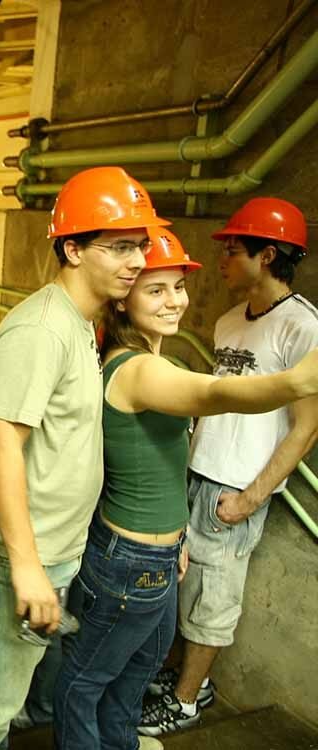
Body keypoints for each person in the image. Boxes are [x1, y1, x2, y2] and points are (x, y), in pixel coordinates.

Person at [53, 226, 318, 749]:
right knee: (84, 682)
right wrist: (297, 380)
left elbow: (168, 461)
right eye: (156, 290)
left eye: (178, 286)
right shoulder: (137, 370)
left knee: (138, 670)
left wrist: (176, 539)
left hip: (157, 554)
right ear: (124, 303)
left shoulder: (163, 361)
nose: (175, 301)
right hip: (127, 559)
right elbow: (217, 392)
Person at [0, 166, 167, 750]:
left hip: (46, 553)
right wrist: (27, 567)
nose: (137, 260)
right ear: (72, 248)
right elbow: (0, 443)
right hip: (9, 557)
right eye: (119, 247)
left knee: (2, 698)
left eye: (138, 244)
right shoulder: (40, 329)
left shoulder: (81, 324)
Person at [139, 197, 318, 737]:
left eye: (234, 250)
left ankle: (188, 700)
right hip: (197, 473)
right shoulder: (226, 321)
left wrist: (251, 497)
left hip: (235, 488)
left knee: (214, 600)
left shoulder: (303, 327)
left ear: (267, 256)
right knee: (182, 591)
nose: (222, 259)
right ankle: (182, 679)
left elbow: (306, 426)